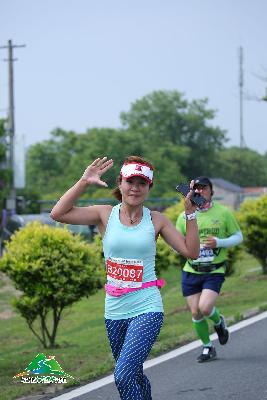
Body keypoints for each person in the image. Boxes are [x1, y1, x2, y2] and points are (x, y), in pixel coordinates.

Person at [51, 156, 200, 399]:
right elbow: (58, 213)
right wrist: (84, 181)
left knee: (123, 374)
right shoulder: (104, 215)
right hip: (115, 310)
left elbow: (191, 252)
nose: (135, 188)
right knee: (133, 373)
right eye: (130, 181)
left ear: (149, 188)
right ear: (120, 183)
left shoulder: (156, 220)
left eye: (142, 183)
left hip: (147, 307)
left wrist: (190, 215)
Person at [176, 176, 243, 363]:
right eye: (195, 189)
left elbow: (238, 237)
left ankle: (219, 321)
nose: (199, 192)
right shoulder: (184, 216)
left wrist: (218, 242)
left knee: (205, 308)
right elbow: (176, 243)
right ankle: (207, 347)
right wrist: (185, 247)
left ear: (211, 191)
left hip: (213, 270)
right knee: (195, 312)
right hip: (191, 270)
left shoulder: (223, 213)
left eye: (203, 188)